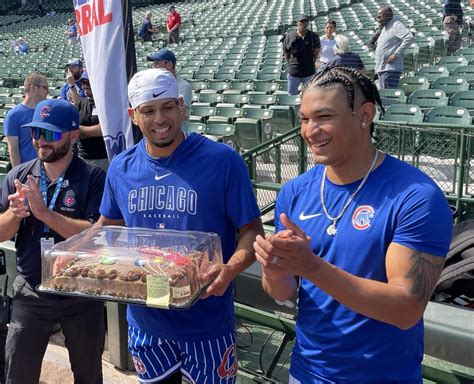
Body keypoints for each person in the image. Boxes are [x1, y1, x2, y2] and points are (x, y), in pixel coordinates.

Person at [253, 65, 453, 383]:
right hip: (307, 372)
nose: (310, 130)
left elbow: (406, 309)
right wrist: (274, 270)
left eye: (324, 117)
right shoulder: (295, 190)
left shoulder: (416, 197)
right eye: (304, 119)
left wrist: (312, 266)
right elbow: (284, 292)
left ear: (364, 115)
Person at [97, 68, 263, 383]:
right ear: (134, 115)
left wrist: (229, 269)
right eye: (149, 110)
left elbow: (252, 232)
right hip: (146, 320)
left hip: (206, 319)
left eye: (168, 107)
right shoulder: (121, 168)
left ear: (182, 107)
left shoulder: (223, 161)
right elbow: (109, 227)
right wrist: (73, 253)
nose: (160, 119)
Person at [0, 99, 106, 384]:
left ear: (73, 135)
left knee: (88, 375)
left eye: (51, 134)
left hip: (81, 292)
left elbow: (95, 234)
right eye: (36, 133)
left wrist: (45, 214)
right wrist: (15, 213)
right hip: (31, 290)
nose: (40, 141)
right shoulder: (18, 176)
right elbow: (1, 232)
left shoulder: (93, 177)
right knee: (18, 374)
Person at [4, 72, 48, 167]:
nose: (47, 92)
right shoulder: (14, 115)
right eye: (45, 88)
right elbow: (13, 149)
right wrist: (18, 174)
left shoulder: (46, 112)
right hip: (27, 170)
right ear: (33, 87)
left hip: (48, 169)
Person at [147, 48, 192, 132]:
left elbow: (179, 116)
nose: (154, 67)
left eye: (157, 64)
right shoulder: (155, 86)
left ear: (169, 64)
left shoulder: (184, 86)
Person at [75, 70, 109, 172]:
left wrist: (79, 128)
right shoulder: (81, 104)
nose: (85, 86)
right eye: (83, 83)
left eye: (88, 83)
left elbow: (103, 130)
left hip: (103, 158)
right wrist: (92, 132)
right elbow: (73, 132)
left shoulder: (105, 103)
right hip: (83, 157)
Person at [374, 5, 414, 89]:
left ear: (387, 15)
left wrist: (396, 54)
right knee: (384, 97)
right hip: (383, 69)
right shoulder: (385, 27)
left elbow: (409, 37)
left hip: (390, 69)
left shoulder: (396, 25)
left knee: (388, 97)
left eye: (380, 17)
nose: (378, 20)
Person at [283, 14, 320, 95]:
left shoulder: (313, 36)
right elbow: (286, 52)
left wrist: (312, 60)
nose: (303, 23)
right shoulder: (289, 36)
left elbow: (317, 50)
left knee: (310, 95)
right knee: (292, 96)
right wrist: (290, 63)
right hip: (294, 72)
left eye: (305, 21)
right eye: (301, 21)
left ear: (308, 23)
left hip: (309, 72)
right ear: (297, 22)